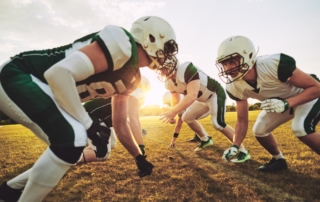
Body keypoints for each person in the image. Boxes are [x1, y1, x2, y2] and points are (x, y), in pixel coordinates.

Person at [0, 16, 178, 201]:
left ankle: (10, 191)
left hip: (49, 93)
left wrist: (138, 157)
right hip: (20, 76)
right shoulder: (122, 43)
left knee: (71, 150)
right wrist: (88, 123)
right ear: (151, 38)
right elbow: (58, 73)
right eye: (167, 48)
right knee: (73, 139)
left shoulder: (133, 78)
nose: (167, 55)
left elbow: (119, 123)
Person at [215, 35, 320, 172]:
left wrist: (287, 103)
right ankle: (278, 160)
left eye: (232, 61)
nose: (228, 68)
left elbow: (316, 88)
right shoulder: (234, 86)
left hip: (307, 95)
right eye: (224, 63)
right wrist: (235, 145)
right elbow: (241, 120)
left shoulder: (273, 64)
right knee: (259, 130)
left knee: (300, 127)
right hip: (281, 104)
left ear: (249, 55)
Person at [159, 61, 250, 162]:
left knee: (218, 124)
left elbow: (192, 96)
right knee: (186, 117)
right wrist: (172, 113)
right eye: (160, 69)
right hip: (201, 100)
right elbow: (175, 101)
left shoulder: (186, 69)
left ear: (172, 65)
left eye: (163, 68)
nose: (161, 72)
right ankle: (205, 139)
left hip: (215, 94)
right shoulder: (169, 83)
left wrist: (173, 111)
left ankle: (243, 151)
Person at [78, 75, 151, 163]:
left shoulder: (122, 90)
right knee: (102, 153)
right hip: (92, 115)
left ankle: (81, 151)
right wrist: (141, 146)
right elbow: (134, 120)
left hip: (94, 114)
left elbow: (122, 120)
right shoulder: (134, 94)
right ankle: (66, 158)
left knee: (112, 143)